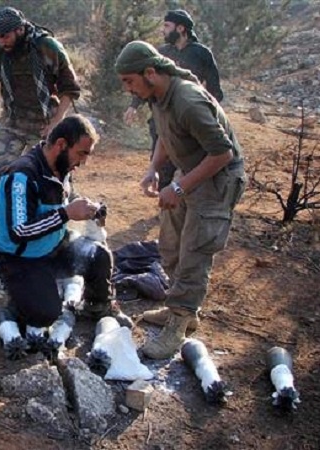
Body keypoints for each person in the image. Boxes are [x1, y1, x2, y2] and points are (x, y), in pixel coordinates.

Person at [115, 41, 245, 359]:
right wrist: (153, 170)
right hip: (189, 175)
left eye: (130, 81)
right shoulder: (158, 97)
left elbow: (222, 153)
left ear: (150, 72)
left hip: (217, 180)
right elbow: (164, 135)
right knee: (171, 246)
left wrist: (179, 187)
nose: (129, 89)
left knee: (194, 252)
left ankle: (178, 324)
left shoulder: (188, 100)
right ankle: (182, 311)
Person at [0, 115, 130, 328]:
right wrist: (65, 214)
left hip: (53, 246)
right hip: (20, 258)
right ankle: (16, 298)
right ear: (61, 144)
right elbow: (19, 231)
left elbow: (64, 202)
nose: (83, 162)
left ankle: (97, 306)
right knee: (45, 315)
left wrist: (88, 209)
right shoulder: (22, 175)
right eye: (82, 154)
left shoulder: (61, 168)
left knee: (98, 255)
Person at [0, 6, 81, 249]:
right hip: (12, 121)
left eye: (5, 36)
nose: (1, 42)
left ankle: (59, 229)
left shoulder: (47, 48)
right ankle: (1, 231)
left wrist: (55, 123)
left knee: (55, 177)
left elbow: (70, 88)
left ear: (19, 29)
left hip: (46, 122)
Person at [124, 9, 224, 190]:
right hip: (162, 116)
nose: (163, 30)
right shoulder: (161, 53)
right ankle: (165, 200)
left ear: (181, 28)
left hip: (189, 116)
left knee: (190, 161)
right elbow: (145, 82)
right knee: (162, 162)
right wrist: (134, 106)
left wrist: (205, 112)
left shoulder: (201, 53)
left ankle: (181, 194)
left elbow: (215, 90)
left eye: (167, 26)